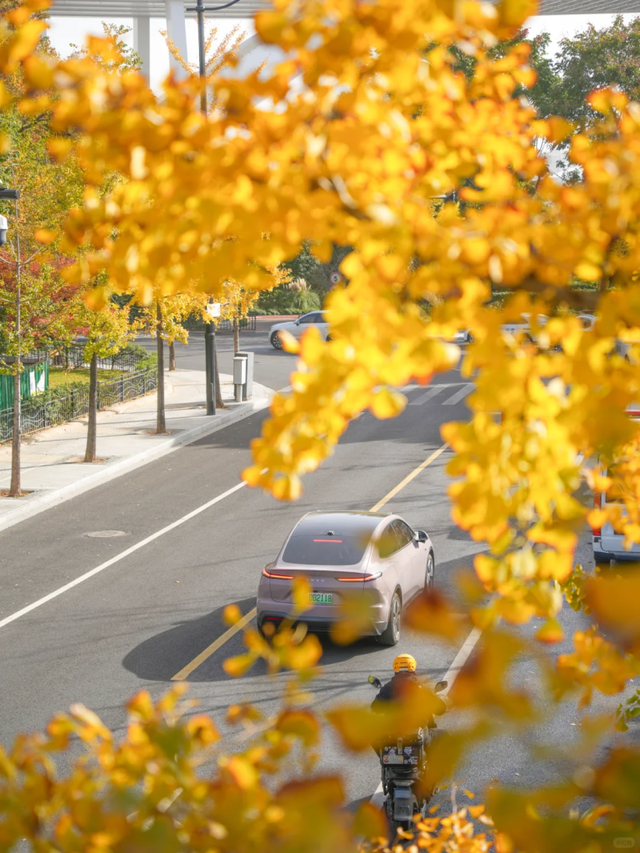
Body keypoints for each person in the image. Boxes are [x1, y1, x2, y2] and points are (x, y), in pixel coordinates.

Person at [371, 653, 447, 731]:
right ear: (413, 668)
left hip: (392, 737)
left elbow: (375, 708)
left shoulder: (387, 688)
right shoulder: (421, 688)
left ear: (395, 668)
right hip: (419, 737)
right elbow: (441, 710)